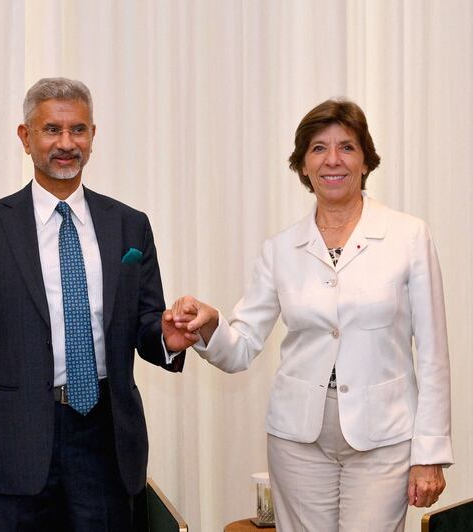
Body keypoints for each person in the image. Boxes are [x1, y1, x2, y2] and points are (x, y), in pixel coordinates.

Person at [0, 77, 193, 531]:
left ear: (93, 137)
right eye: (51, 130)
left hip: (107, 439)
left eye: (78, 130)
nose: (66, 143)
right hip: (18, 441)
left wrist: (167, 338)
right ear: (25, 137)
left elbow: (146, 322)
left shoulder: (129, 225)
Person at [170, 99, 452, 531]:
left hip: (384, 435)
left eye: (347, 147)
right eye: (319, 148)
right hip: (298, 439)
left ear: (365, 160)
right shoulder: (280, 249)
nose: (333, 160)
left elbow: (433, 355)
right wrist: (209, 323)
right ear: (303, 165)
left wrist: (430, 454)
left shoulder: (408, 236)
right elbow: (241, 348)